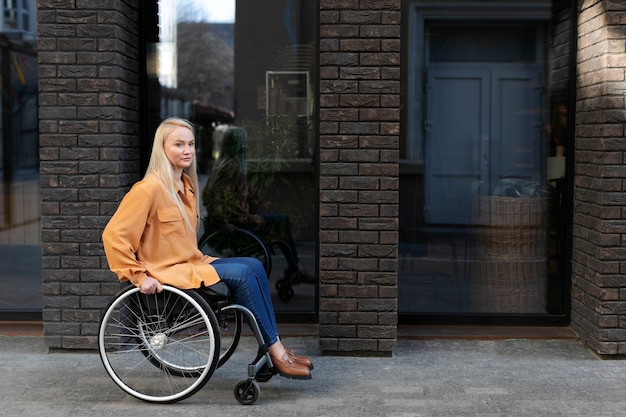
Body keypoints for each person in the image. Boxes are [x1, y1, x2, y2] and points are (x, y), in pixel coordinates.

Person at [102, 117, 313, 379]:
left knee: (254, 264)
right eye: (178, 144)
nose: (187, 150)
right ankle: (276, 351)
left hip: (193, 262)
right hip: (168, 271)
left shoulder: (186, 187)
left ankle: (272, 347)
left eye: (190, 144)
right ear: (162, 148)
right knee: (245, 274)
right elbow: (114, 235)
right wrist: (139, 276)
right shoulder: (147, 190)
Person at [202, 126, 313, 285]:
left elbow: (211, 195)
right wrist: (224, 222)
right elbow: (216, 197)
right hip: (239, 223)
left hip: (237, 219)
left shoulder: (221, 165)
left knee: (278, 221)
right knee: (283, 222)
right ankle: (296, 268)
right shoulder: (232, 167)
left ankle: (295, 267)